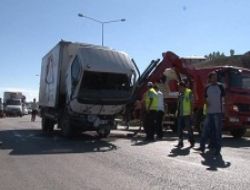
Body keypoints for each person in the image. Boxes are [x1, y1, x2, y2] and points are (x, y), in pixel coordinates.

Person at [196, 71, 225, 155]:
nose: (215, 78)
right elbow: (204, 98)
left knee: (217, 131)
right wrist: (206, 102)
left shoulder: (220, 86)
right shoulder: (207, 87)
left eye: (216, 76)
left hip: (218, 112)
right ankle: (202, 147)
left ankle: (217, 149)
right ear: (210, 78)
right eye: (213, 77)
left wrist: (224, 110)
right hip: (209, 112)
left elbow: (224, 99)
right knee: (205, 130)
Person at [175, 80, 195, 148]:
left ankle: (192, 141)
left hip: (187, 114)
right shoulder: (180, 94)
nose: (179, 88)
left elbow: (192, 102)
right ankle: (180, 142)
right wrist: (177, 112)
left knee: (189, 129)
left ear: (183, 87)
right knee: (179, 129)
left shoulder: (189, 92)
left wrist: (192, 112)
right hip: (180, 114)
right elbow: (179, 104)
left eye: (179, 87)